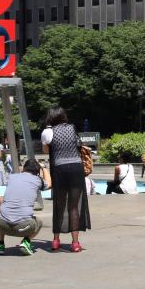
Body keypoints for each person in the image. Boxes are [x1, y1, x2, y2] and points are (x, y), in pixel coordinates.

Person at [42, 106, 89, 252]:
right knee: (74, 206)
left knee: (59, 205)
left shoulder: (48, 132)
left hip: (60, 169)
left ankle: (56, 240)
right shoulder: (72, 128)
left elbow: (46, 150)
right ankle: (75, 243)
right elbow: (77, 145)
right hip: (76, 168)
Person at [0, 158, 51, 256]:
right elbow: (49, 183)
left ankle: (0, 244)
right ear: (37, 172)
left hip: (2, 225)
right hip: (23, 227)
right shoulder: (37, 180)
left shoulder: (12, 177)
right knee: (39, 222)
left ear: (23, 168)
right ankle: (26, 242)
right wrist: (44, 168)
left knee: (2, 213)